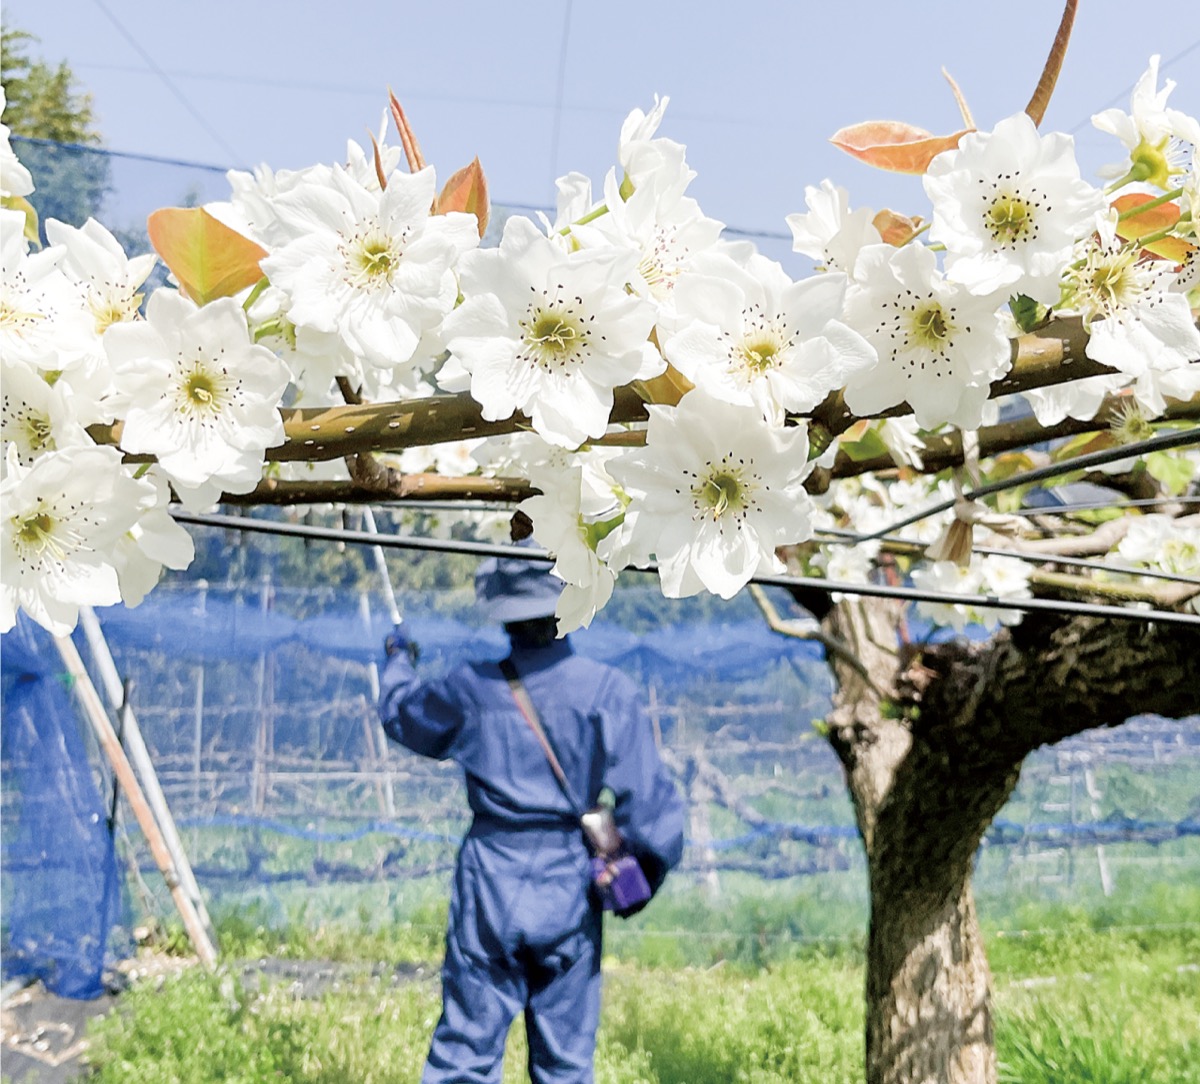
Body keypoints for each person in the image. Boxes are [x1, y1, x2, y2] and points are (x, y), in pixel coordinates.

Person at [378, 551, 685, 1084]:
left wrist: (397, 659)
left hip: (489, 879)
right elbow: (652, 814)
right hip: (570, 883)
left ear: (503, 612)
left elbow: (404, 714)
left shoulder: (471, 688)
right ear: (570, 602)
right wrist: (635, 882)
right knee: (565, 1064)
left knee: (464, 1055)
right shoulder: (607, 690)